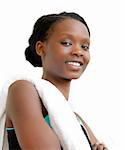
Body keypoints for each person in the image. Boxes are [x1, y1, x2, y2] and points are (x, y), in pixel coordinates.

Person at [1, 12, 108, 150]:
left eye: (85, 47)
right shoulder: (22, 90)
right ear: (41, 48)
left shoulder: (76, 120)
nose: (78, 52)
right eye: (67, 43)